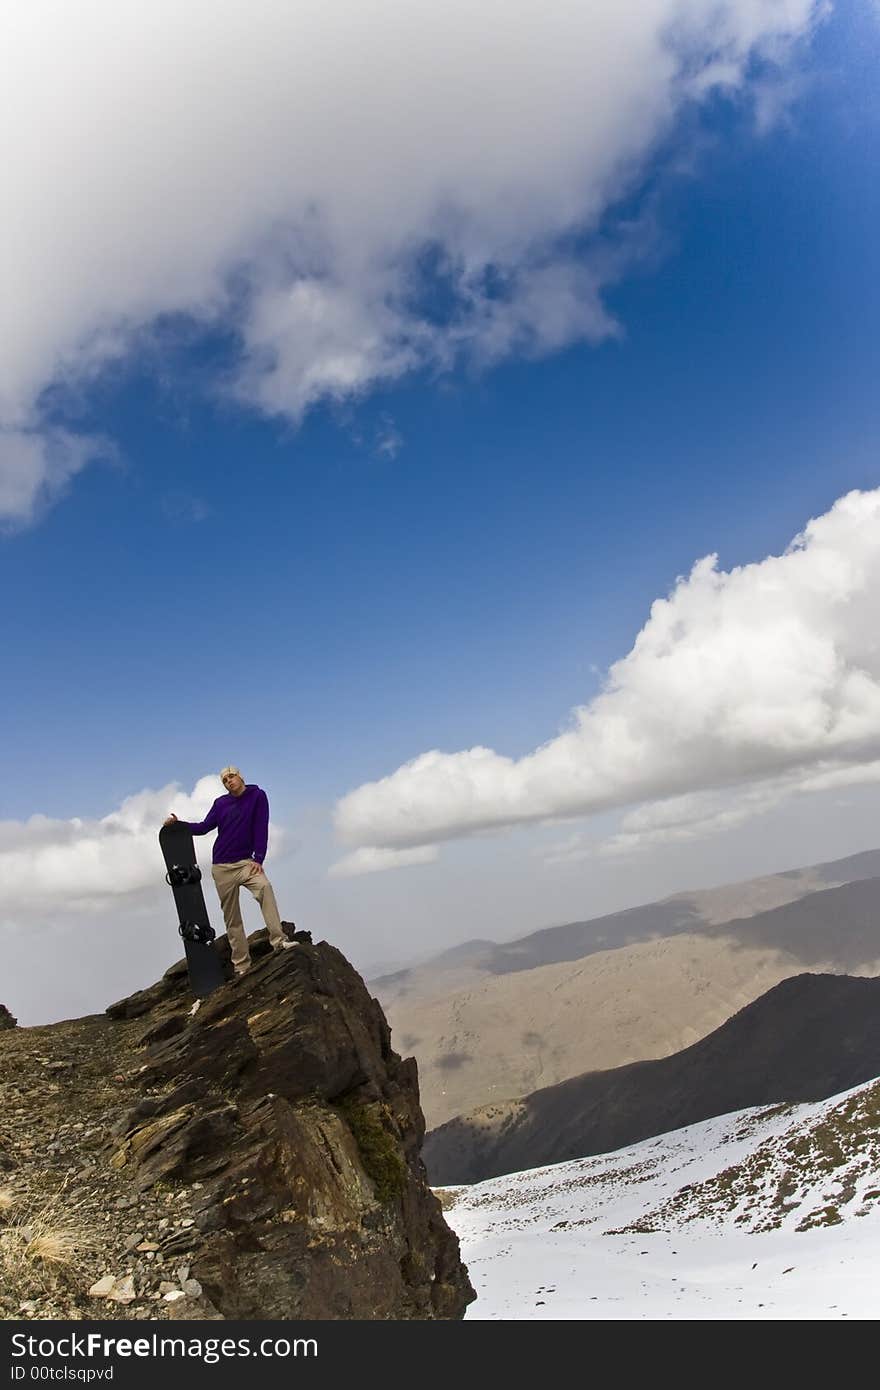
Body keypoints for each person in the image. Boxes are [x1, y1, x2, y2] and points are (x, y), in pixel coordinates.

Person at [163, 765, 296, 977]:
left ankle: (279, 941)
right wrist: (179, 825)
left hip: (246, 863)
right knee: (232, 917)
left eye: (231, 777)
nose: (229, 781)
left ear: (240, 776)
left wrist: (259, 858)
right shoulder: (221, 803)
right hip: (222, 867)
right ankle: (242, 966)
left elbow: (261, 827)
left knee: (265, 888)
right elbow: (204, 827)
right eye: (225, 780)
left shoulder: (257, 796)